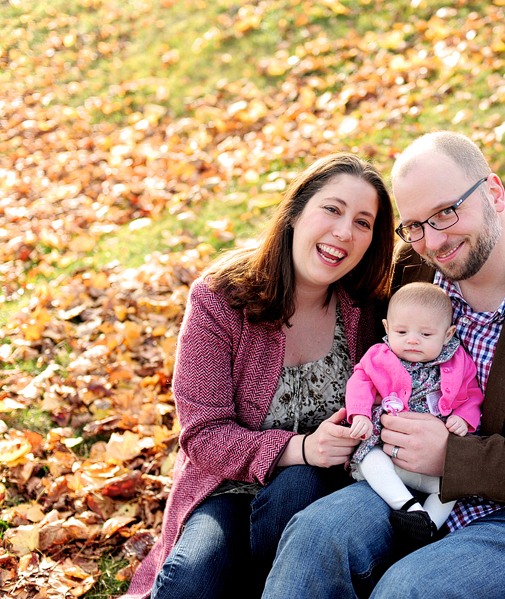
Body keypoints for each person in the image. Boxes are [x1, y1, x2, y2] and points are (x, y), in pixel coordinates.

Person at [262, 132, 505, 599]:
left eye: (447, 212)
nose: (435, 240)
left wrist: (455, 457)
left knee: (409, 591)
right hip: (411, 486)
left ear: (494, 192)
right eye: (416, 225)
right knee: (313, 538)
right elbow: (323, 269)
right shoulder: (416, 269)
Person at [119, 153, 395, 599]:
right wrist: (301, 447)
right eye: (332, 209)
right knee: (192, 582)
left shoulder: (368, 309)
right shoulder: (222, 298)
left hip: (322, 492)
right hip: (228, 487)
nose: (344, 232)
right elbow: (203, 437)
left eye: (363, 222)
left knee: (300, 486)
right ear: (294, 213)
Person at [346, 282, 484, 546]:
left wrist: (465, 417)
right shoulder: (379, 357)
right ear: (387, 328)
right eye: (402, 331)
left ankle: (428, 525)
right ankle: (411, 509)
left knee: (453, 486)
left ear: (448, 334)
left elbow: (472, 393)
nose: (412, 340)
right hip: (388, 449)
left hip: (433, 463)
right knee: (370, 461)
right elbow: (359, 382)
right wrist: (360, 414)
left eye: (425, 334)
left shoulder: (458, 362)